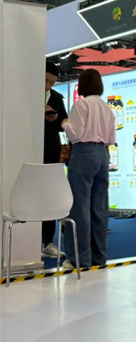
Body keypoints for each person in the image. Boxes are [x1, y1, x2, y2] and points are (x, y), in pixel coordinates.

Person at [61, 69, 115, 269]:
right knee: (99, 207)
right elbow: (111, 139)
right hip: (102, 154)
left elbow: (75, 134)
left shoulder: (80, 105)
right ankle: (99, 257)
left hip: (83, 153)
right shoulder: (107, 108)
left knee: (79, 207)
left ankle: (79, 258)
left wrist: (65, 124)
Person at [42, 61, 68, 258]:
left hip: (50, 150)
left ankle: (48, 242)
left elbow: (63, 123)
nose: (48, 85)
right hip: (25, 148)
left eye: (52, 83)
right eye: (46, 81)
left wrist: (55, 119)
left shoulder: (57, 98)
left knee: (49, 196)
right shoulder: (23, 94)